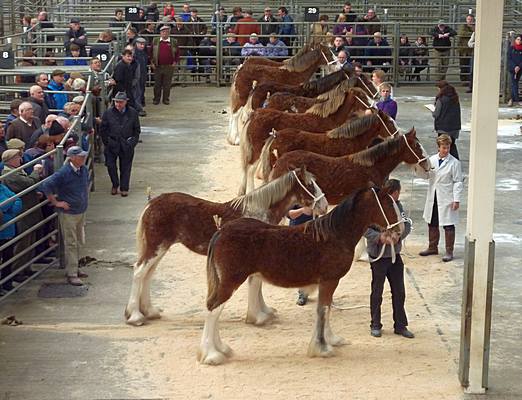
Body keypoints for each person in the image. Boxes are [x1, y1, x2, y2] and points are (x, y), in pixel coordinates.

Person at [365, 179, 413, 339]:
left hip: (394, 255)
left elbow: (406, 224)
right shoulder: (374, 207)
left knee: (399, 291)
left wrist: (398, 236)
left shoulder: (398, 206)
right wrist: (380, 238)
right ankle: (375, 324)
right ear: (394, 191)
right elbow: (364, 228)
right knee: (377, 291)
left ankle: (400, 325)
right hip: (378, 255)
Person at [40, 146, 89, 286]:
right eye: (80, 156)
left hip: (80, 210)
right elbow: (46, 185)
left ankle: (75, 268)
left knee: (79, 240)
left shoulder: (83, 169)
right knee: (71, 242)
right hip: (69, 213)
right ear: (72, 158)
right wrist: (57, 202)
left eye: (83, 156)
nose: (83, 158)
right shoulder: (64, 172)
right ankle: (72, 273)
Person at [419, 134, 463, 262]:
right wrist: (419, 168)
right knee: (432, 222)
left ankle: (449, 251)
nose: (446, 150)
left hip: (447, 197)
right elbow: (426, 176)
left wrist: (456, 199)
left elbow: (458, 182)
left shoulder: (454, 163)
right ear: (438, 147)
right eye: (443, 147)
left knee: (448, 225)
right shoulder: (431, 160)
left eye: (448, 147)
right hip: (434, 195)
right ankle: (433, 247)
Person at [1, 149, 43, 281]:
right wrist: (36, 172)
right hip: (22, 213)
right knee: (23, 244)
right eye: (18, 157)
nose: (21, 160)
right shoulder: (10, 174)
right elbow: (28, 183)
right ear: (11, 159)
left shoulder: (17, 171)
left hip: (26, 210)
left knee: (29, 241)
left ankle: (26, 268)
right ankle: (17, 271)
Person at [99, 92, 140, 197]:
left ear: (126, 102)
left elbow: (137, 129)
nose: (118, 104)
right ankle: (115, 184)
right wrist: (107, 142)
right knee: (111, 166)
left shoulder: (133, 113)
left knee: (126, 167)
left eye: (120, 102)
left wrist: (133, 142)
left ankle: (124, 187)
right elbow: (103, 129)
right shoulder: (108, 113)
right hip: (112, 143)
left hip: (126, 143)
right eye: (116, 102)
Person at [287, 205, 314, 306]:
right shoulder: (294, 195)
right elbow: (289, 214)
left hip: (313, 232)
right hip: (296, 234)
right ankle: (303, 294)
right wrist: (302, 210)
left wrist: (316, 210)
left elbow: (323, 210)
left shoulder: (315, 194)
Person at [0, 182, 22, 295]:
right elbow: (11, 200)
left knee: (8, 257)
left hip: (8, 228)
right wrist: (9, 204)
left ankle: (6, 283)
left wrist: (6, 210)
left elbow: (18, 200)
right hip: (4, 228)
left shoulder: (2, 186)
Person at [432, 80, 461, 159]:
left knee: (443, 146)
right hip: (455, 127)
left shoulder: (441, 99)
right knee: (452, 145)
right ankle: (455, 161)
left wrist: (433, 112)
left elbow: (436, 114)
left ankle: (443, 161)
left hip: (443, 128)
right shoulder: (455, 98)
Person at [150, 25, 179, 105]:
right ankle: (156, 99)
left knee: (167, 84)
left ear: (169, 33)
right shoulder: (155, 40)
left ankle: (166, 99)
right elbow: (151, 52)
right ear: (160, 33)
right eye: (163, 32)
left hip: (169, 66)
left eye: (166, 32)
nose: (165, 33)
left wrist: (175, 62)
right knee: (157, 84)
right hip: (157, 66)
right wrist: (151, 62)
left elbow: (177, 53)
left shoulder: (173, 41)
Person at [171, 17, 194, 84]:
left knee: (183, 67)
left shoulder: (186, 30)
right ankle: (175, 79)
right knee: (175, 67)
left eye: (180, 24)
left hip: (183, 51)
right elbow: (171, 39)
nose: (179, 25)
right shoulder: (173, 30)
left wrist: (186, 47)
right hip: (174, 51)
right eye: (178, 24)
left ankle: (182, 81)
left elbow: (190, 40)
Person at [457, 15, 475, 83]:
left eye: (471, 19)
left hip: (472, 50)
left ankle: (470, 80)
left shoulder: (475, 27)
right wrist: (473, 34)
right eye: (468, 19)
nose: (470, 21)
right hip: (464, 50)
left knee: (471, 67)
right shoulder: (463, 26)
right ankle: (464, 80)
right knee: (463, 66)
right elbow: (462, 33)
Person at [507, 34, 522, 107]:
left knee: (514, 84)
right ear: (515, 40)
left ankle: (511, 99)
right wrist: (514, 67)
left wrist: (519, 66)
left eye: (520, 39)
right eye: (518, 39)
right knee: (514, 83)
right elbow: (509, 59)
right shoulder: (511, 48)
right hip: (512, 69)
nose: (519, 41)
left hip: (520, 69)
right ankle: (517, 100)